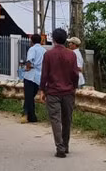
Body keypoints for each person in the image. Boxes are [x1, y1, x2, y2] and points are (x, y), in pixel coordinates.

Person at [40, 27, 79, 158]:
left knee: (56, 120)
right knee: (67, 119)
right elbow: (75, 74)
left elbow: (44, 75)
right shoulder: (72, 55)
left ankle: (60, 147)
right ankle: (66, 145)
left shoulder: (48, 55)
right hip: (68, 91)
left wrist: (42, 90)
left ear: (54, 39)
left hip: (53, 91)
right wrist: (74, 87)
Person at [21, 33, 45, 123]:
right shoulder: (44, 50)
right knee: (31, 96)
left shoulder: (32, 49)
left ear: (32, 41)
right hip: (39, 76)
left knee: (28, 96)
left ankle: (28, 115)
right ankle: (30, 115)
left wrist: (27, 68)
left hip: (31, 75)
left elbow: (29, 61)